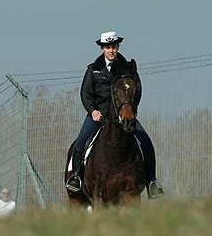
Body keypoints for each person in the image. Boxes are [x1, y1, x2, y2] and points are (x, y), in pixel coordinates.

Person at [66, 31, 165, 199]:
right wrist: (93, 111)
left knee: (146, 142)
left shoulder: (127, 68)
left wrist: (131, 109)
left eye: (114, 47)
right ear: (102, 49)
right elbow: (85, 93)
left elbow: (136, 89)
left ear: (117, 47)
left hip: (124, 114)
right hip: (98, 115)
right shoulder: (94, 69)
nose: (111, 50)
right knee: (80, 142)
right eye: (107, 47)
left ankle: (151, 181)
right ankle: (75, 177)